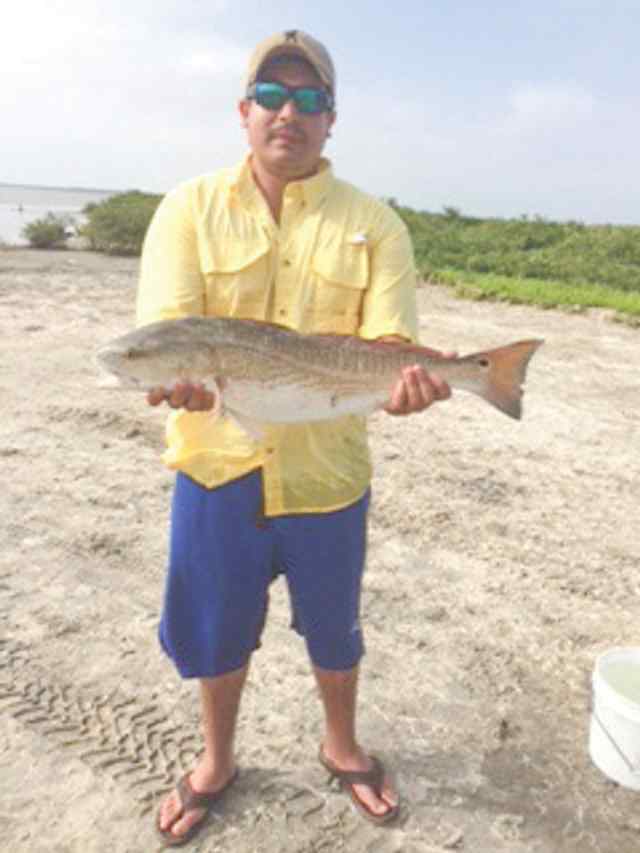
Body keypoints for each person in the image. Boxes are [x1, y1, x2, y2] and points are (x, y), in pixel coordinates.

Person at [137, 30, 452, 846]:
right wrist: (174, 378)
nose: (289, 113)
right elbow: (166, 331)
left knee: (336, 626)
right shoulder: (187, 210)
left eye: (309, 99)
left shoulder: (376, 224)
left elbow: (387, 344)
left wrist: (409, 385)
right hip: (216, 467)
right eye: (271, 98)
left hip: (328, 475)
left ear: (331, 119)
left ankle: (341, 744)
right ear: (243, 112)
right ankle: (216, 760)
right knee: (215, 627)